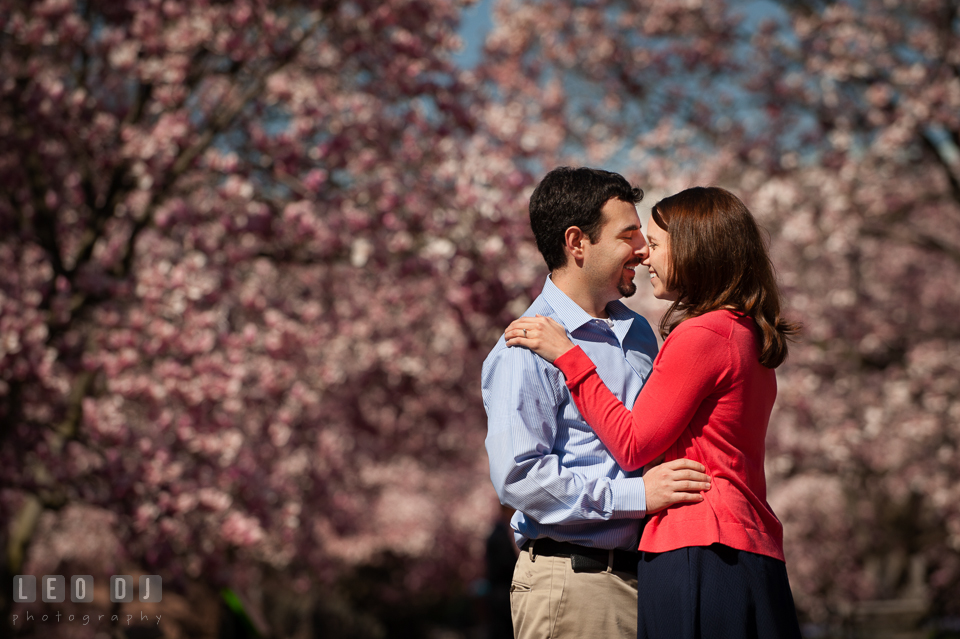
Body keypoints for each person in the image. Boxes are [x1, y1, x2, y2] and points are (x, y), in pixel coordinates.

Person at [505, 186, 803, 639]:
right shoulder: (743, 333)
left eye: (657, 243)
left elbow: (633, 444)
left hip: (700, 542)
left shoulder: (703, 334)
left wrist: (569, 357)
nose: (646, 255)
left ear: (695, 251)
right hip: (739, 542)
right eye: (636, 238)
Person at [482, 167, 713, 639]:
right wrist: (638, 497)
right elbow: (519, 479)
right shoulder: (524, 347)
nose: (644, 250)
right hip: (576, 584)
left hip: (650, 579)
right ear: (577, 242)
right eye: (628, 235)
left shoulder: (640, 333)